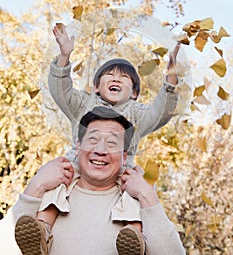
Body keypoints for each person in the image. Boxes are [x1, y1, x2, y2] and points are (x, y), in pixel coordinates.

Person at [32, 23, 180, 254]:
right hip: (77, 162)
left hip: (121, 169)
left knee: (132, 193)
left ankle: (133, 238)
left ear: (133, 92)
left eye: (124, 78)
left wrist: (170, 82)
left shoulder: (137, 113)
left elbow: (160, 113)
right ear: (96, 88)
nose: (116, 79)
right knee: (58, 184)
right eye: (109, 75)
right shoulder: (83, 104)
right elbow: (60, 90)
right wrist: (64, 56)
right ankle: (40, 230)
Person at [13, 107, 185, 254]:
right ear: (78, 147)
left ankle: (137, 238)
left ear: (124, 156)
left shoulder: (134, 197)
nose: (101, 150)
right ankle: (44, 232)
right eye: (93, 139)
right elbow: (6, 247)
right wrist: (37, 183)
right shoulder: (55, 185)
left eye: (111, 142)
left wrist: (147, 195)